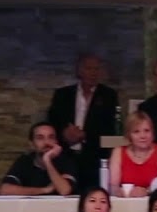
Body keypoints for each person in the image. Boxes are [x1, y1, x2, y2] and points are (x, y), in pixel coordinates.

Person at [47, 54, 119, 190]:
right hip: (65, 157)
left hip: (94, 159)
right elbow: (52, 123)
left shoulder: (109, 96)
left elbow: (112, 133)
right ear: (79, 70)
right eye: (88, 68)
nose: (93, 73)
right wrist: (64, 134)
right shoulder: (62, 95)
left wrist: (85, 136)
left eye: (96, 69)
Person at [0, 121, 77, 196]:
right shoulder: (25, 160)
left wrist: (47, 160)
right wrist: (44, 190)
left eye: (51, 137)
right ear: (31, 144)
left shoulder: (65, 160)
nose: (46, 142)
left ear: (56, 142)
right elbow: (4, 190)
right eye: (40, 138)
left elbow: (64, 190)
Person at [108, 110, 157, 197]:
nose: (143, 136)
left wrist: (146, 191)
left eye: (147, 131)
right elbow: (113, 187)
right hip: (126, 201)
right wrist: (119, 192)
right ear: (129, 135)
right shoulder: (118, 152)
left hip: (155, 201)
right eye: (136, 132)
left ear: (153, 133)